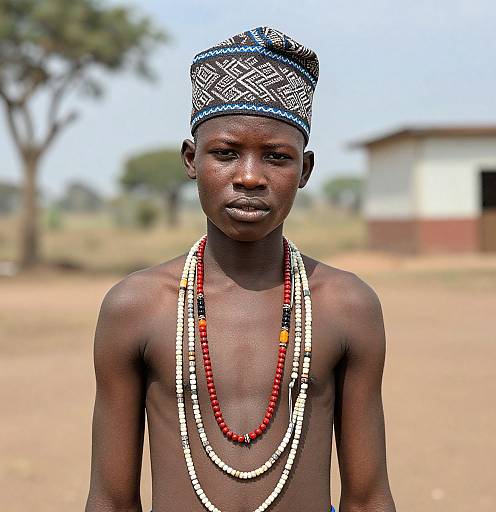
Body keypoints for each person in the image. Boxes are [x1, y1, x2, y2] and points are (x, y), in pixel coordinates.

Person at [85, 27, 396, 512]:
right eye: (225, 154)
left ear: (306, 170)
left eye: (277, 157)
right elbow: (110, 499)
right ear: (191, 160)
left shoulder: (345, 305)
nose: (249, 177)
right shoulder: (137, 306)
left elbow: (368, 497)